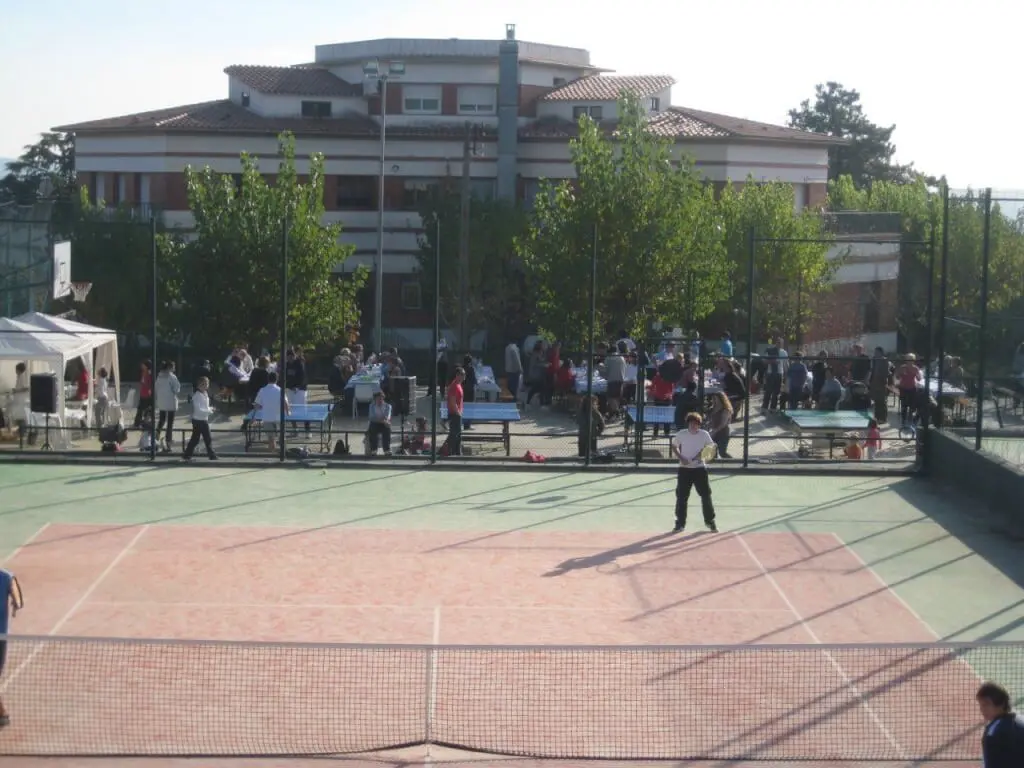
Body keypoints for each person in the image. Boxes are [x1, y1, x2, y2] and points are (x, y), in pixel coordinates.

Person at [669, 412, 718, 534]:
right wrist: (681, 458)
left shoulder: (704, 434)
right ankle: (679, 524)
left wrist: (700, 456)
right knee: (681, 497)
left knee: (706, 496)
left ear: (699, 424)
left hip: (700, 469)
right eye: (691, 423)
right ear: (688, 423)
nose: (693, 425)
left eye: (696, 423)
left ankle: (710, 522)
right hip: (684, 470)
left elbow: (711, 447)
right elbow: (674, 446)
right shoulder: (682, 434)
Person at [976, 681, 1024, 767]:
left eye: (986, 704)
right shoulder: (1021, 719)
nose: (982, 709)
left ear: (1001, 704)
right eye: (981, 705)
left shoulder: (992, 733)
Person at [0, 565, 24, 728]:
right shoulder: (7, 576)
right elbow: (19, 601)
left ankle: (2, 714)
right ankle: (2, 714)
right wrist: (15, 605)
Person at [183, 376, 217, 461]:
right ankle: (211, 455)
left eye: (207, 384)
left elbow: (204, 407)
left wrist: (210, 408)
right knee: (205, 438)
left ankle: (187, 455)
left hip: (202, 419)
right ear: (198, 386)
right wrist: (209, 411)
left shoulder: (205, 394)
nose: (206, 386)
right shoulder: (197, 395)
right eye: (203, 384)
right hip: (199, 420)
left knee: (197, 438)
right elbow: (198, 409)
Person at [253, 371, 289, 452]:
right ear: (277, 379)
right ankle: (283, 453)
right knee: (282, 437)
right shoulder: (280, 390)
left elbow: (257, 405)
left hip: (267, 418)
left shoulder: (262, 390)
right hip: (279, 418)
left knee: (271, 439)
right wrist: (288, 412)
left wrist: (254, 417)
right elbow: (286, 403)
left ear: (268, 379)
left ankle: (272, 454)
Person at [154, 361, 181, 453]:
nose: (174, 369)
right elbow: (177, 389)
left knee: (161, 421)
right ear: (170, 368)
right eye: (173, 367)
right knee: (170, 423)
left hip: (161, 402)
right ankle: (168, 441)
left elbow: (156, 388)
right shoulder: (172, 377)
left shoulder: (159, 376)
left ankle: (155, 438)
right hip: (170, 402)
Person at [446, 366, 465, 456]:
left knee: (458, 436)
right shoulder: (454, 386)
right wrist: (458, 413)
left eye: (464, 375)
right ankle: (452, 453)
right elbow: (452, 402)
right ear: (457, 375)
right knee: (455, 435)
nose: (464, 376)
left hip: (458, 414)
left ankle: (457, 453)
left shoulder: (459, 385)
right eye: (462, 375)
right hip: (454, 414)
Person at [366, 391, 393, 455]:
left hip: (384, 423)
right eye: (378, 399)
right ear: (375, 399)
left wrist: (385, 421)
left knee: (387, 428)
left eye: (381, 398)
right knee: (372, 428)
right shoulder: (371, 406)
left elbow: (387, 416)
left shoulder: (388, 406)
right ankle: (374, 450)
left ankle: (387, 450)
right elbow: (371, 417)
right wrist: (382, 420)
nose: (380, 400)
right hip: (375, 423)